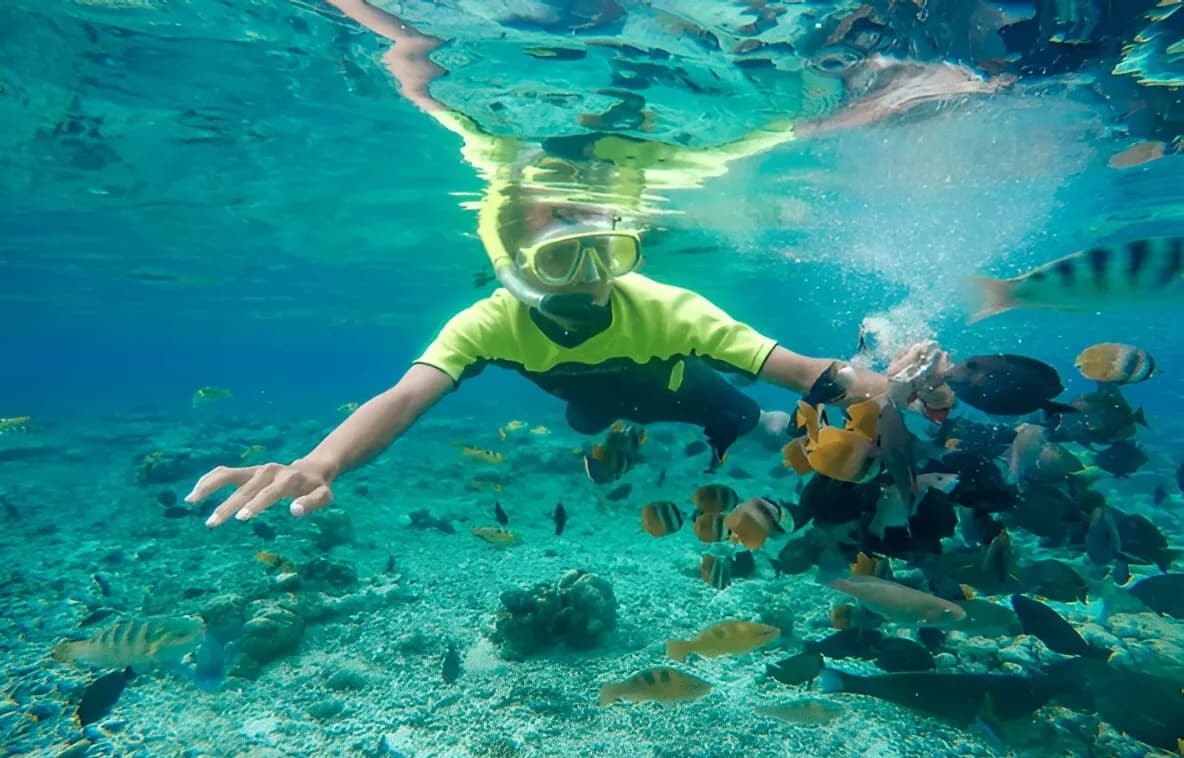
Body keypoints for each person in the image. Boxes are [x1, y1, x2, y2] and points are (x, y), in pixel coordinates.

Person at [188, 1, 966, 525]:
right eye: (561, 258)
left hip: (676, 385)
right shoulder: (487, 321)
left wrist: (883, 383)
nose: (590, 276)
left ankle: (760, 429)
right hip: (594, 401)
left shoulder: (666, 309)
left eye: (602, 251)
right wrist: (324, 460)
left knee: (746, 418)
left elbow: (808, 374)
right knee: (588, 417)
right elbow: (401, 400)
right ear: (508, 259)